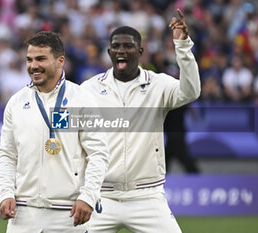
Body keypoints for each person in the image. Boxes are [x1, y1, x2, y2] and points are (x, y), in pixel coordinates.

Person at [81, 9, 200, 233]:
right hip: (100, 196)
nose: (121, 51)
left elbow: (191, 92)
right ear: (109, 52)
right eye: (116, 46)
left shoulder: (158, 84)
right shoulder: (90, 88)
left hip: (147, 196)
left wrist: (182, 47)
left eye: (128, 46)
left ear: (140, 51)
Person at [0, 31, 110, 233]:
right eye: (29, 60)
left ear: (60, 61)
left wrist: (88, 196)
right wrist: (6, 193)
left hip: (67, 215)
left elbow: (98, 154)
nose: (33, 66)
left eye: (41, 59)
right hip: (23, 216)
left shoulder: (81, 99)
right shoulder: (16, 102)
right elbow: (7, 154)